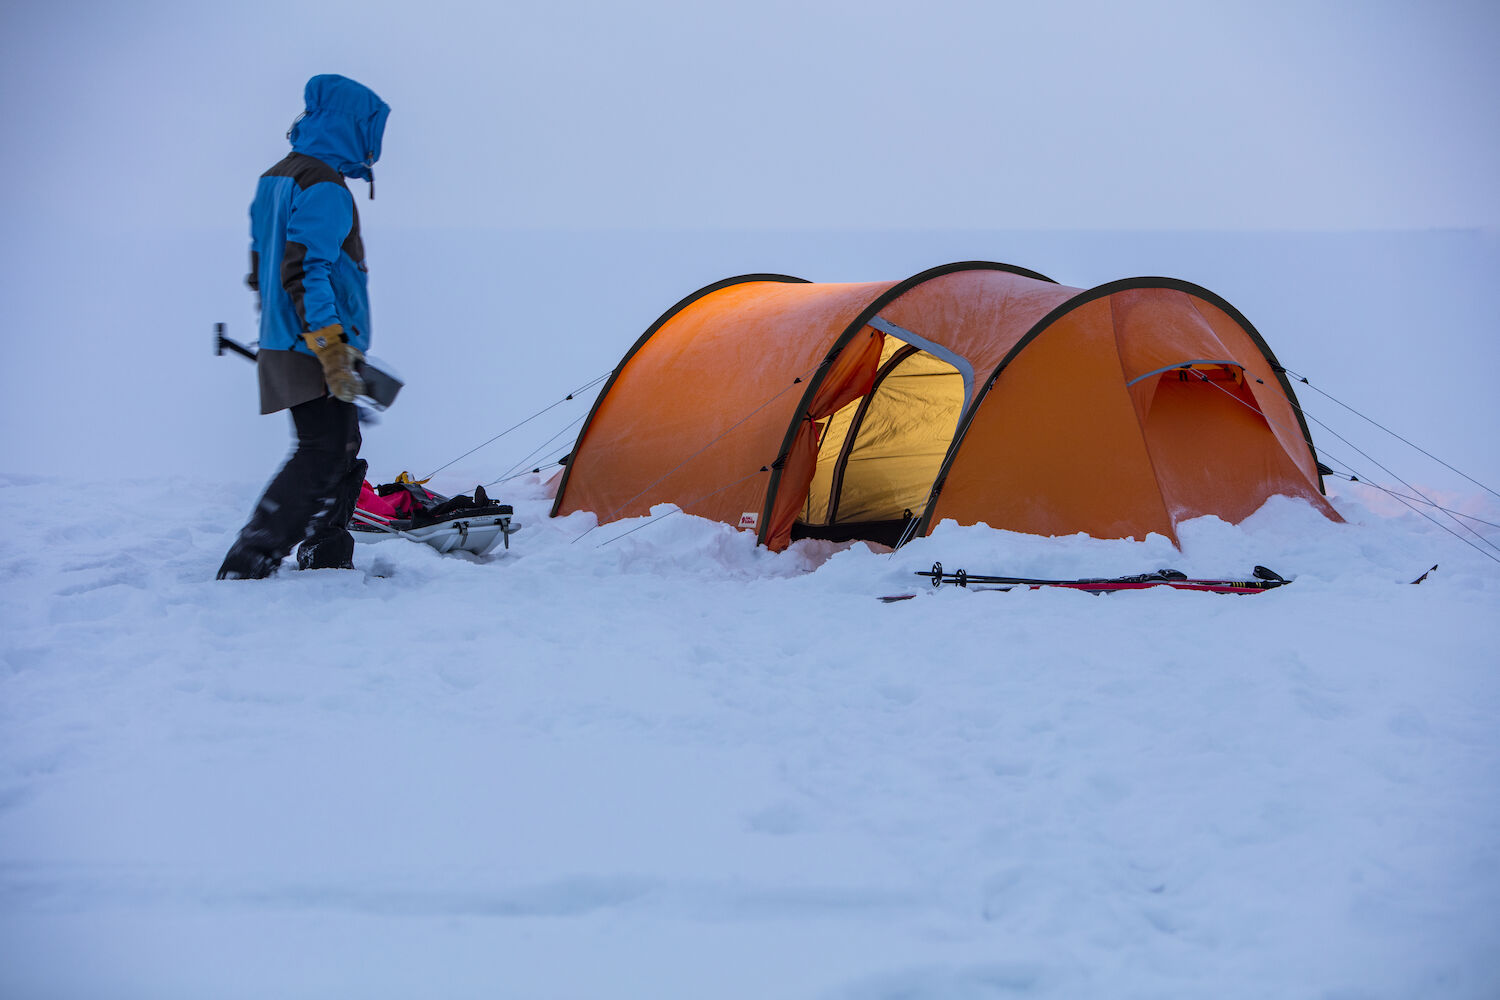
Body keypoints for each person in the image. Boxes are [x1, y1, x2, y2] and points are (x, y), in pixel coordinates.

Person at [217, 74, 391, 580]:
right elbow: (306, 269)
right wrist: (331, 349)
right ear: (352, 128)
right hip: (314, 342)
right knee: (322, 449)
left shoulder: (278, 176)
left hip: (290, 336)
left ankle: (327, 550)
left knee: (342, 443)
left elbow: (261, 266)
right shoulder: (323, 186)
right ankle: (252, 557)